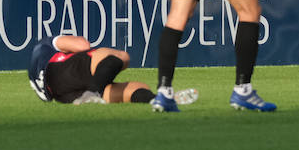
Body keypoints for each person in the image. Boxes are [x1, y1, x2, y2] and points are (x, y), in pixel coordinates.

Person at [29, 35, 191, 107]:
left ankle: (157, 100)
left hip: (62, 96)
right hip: (60, 70)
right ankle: (93, 92)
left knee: (134, 88)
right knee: (121, 56)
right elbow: (82, 45)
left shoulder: (37, 60)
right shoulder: (47, 44)